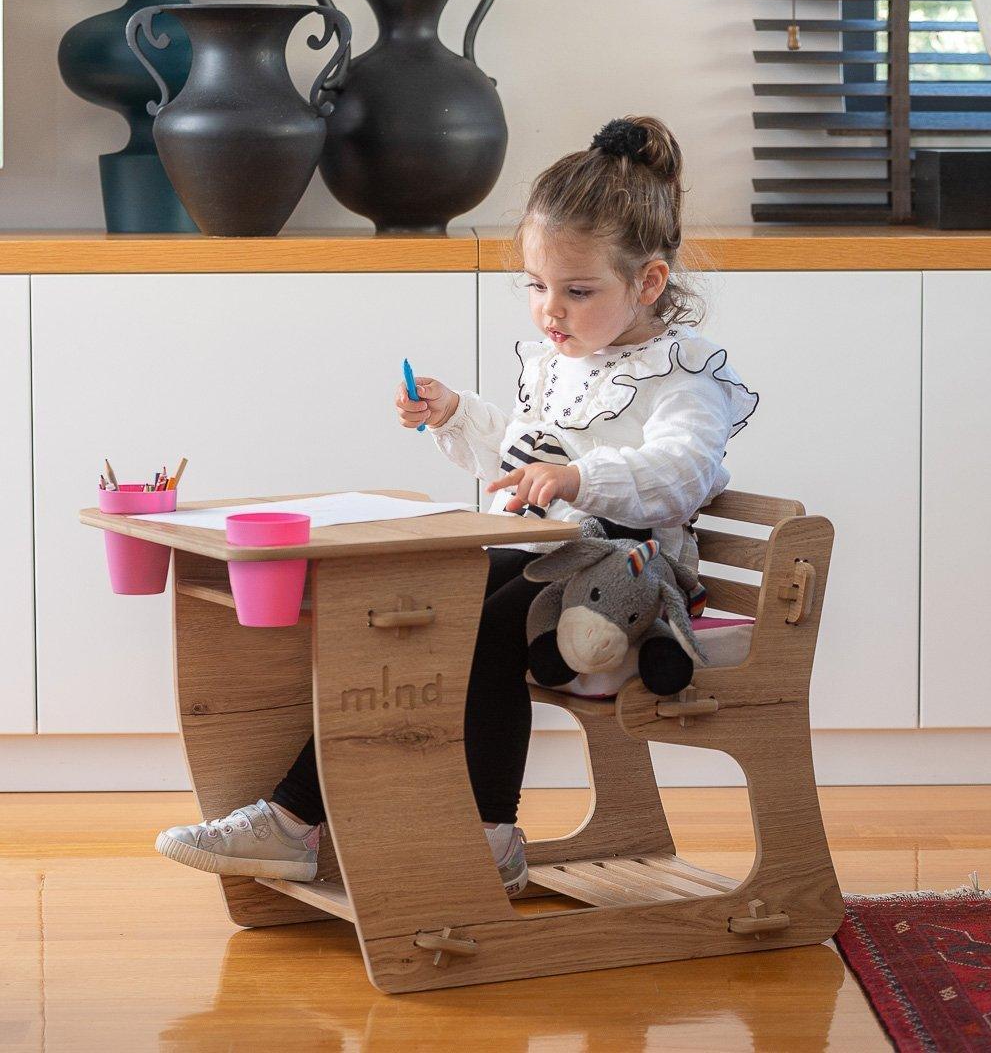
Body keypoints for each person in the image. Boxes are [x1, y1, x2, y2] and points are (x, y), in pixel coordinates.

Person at [154, 115, 759, 898]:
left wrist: (580, 480)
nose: (552, 311)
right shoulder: (558, 367)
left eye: (578, 291)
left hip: (629, 584)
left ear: (647, 282)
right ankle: (293, 822)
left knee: (482, 622)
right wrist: (455, 415)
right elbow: (519, 456)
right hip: (552, 558)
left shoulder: (682, 379)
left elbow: (683, 471)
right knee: (429, 603)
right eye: (538, 287)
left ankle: (483, 833)